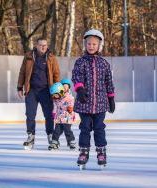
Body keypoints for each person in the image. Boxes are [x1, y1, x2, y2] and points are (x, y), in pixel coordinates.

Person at [72, 29, 115, 169]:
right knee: (84, 128)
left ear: (99, 46)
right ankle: (83, 152)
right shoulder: (81, 62)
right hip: (84, 103)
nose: (91, 46)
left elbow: (109, 81)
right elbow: (76, 76)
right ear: (85, 45)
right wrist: (79, 88)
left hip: (101, 104)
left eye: (94, 44)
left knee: (99, 128)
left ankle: (101, 152)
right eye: (89, 44)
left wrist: (111, 98)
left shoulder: (104, 63)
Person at [17, 37, 60, 150]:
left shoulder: (51, 57)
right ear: (36, 45)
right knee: (30, 115)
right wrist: (19, 87)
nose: (43, 47)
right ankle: (31, 136)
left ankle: (51, 137)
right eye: (41, 45)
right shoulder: (29, 56)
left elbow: (56, 74)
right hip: (31, 91)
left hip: (46, 91)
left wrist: (57, 91)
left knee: (49, 116)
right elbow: (22, 72)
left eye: (45, 45)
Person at [49, 79, 76, 150]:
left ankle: (71, 141)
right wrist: (54, 113)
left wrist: (71, 108)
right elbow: (55, 106)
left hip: (67, 117)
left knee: (67, 130)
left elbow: (72, 102)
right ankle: (54, 141)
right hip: (59, 118)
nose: (65, 88)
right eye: (63, 86)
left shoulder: (69, 96)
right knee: (56, 130)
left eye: (66, 86)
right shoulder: (56, 98)